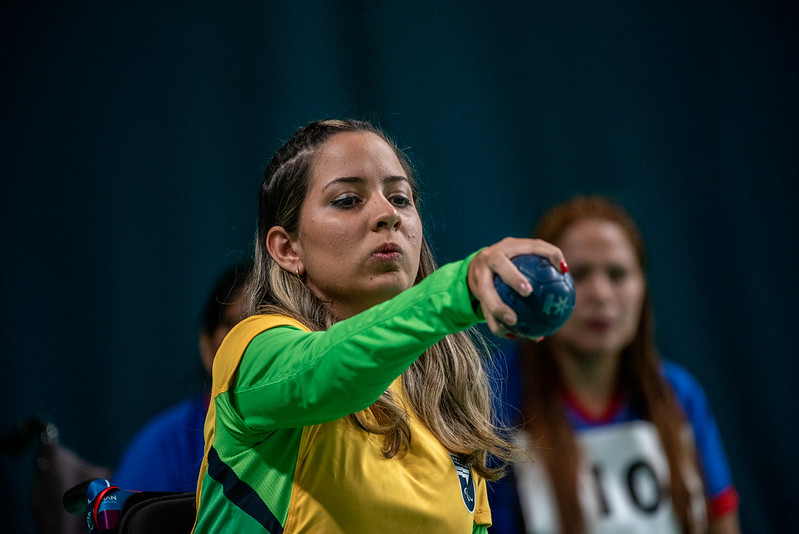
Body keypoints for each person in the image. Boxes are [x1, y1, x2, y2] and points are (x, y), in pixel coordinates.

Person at [191, 118, 567, 533]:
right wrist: (459, 292)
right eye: (348, 199)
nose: (387, 214)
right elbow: (329, 375)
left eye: (401, 198)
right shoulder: (253, 350)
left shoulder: (443, 395)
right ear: (287, 248)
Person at [488, 195, 740, 534]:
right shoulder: (493, 400)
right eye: (577, 274)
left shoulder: (680, 394)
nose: (601, 294)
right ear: (533, 287)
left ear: (643, 289)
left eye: (617, 274)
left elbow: (721, 521)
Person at [113, 263, 249, 492]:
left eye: (274, 326)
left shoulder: (316, 435)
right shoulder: (163, 448)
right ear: (207, 347)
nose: (257, 343)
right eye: (239, 325)